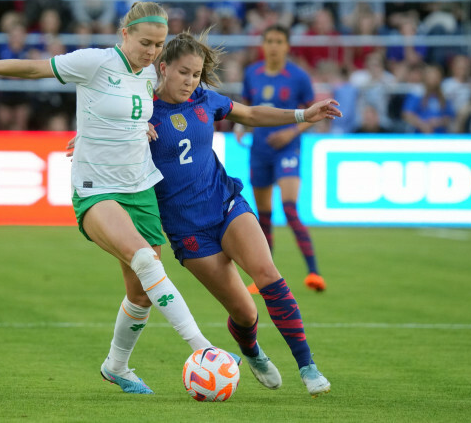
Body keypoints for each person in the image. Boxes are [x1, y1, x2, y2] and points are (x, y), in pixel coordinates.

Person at [0, 1, 217, 396]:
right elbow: (34, 69)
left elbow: (145, 111)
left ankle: (116, 366)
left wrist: (141, 126)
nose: (152, 52)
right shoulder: (95, 63)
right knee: (146, 261)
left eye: (158, 44)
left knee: (140, 294)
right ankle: (203, 349)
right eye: (145, 42)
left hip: (140, 187)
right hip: (96, 188)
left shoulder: (151, 75)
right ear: (124, 35)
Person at [68, 30, 341, 397]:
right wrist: (94, 138)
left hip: (225, 204)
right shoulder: (141, 106)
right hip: (187, 231)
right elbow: (109, 124)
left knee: (267, 274)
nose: (190, 81)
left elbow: (251, 113)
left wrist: (301, 114)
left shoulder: (204, 100)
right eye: (184, 73)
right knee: (245, 314)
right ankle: (251, 349)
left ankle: (308, 367)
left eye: (196, 74)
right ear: (162, 68)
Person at [235, 24, 326, 293]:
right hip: (260, 150)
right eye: (269, 41)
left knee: (289, 208)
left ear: (287, 46)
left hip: (287, 150)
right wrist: (241, 127)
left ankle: (314, 272)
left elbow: (313, 114)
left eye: (279, 41)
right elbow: (247, 109)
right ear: (263, 45)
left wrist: (290, 133)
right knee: (263, 216)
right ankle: (264, 277)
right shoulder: (252, 74)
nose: (273, 46)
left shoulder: (298, 77)